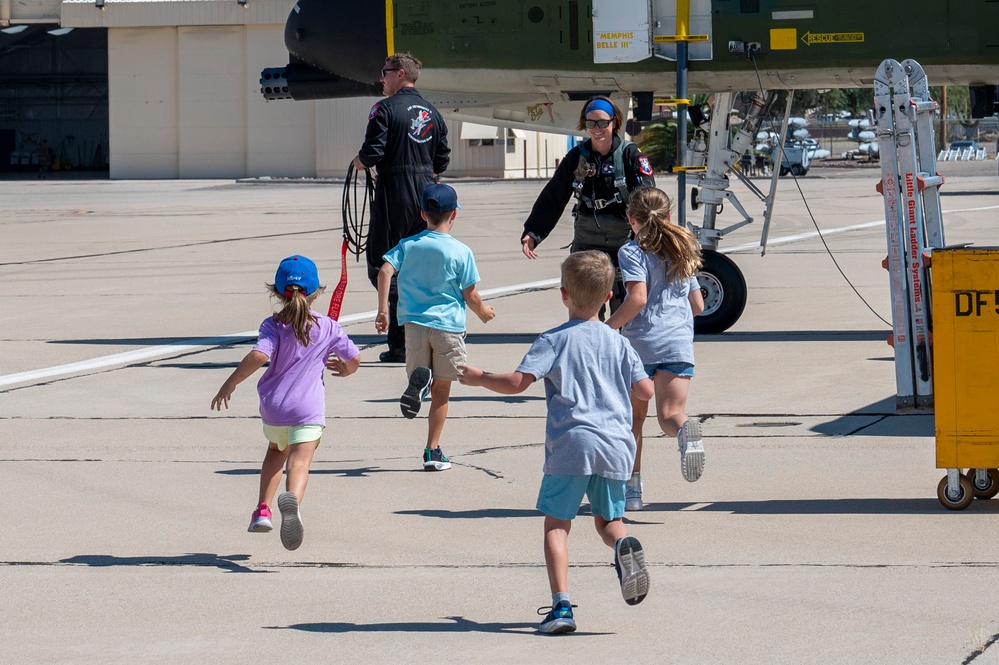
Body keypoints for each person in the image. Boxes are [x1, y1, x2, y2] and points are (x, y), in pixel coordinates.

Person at [458, 250, 654, 634]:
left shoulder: (553, 340)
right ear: (610, 296)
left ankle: (562, 608)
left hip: (572, 445)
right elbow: (645, 390)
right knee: (609, 521)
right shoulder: (619, 344)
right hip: (616, 445)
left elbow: (517, 384)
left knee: (556, 526)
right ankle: (622, 546)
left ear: (564, 294)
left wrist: (480, 377)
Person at [211, 255, 360, 550]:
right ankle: (292, 500)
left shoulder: (272, 325)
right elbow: (354, 358)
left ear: (277, 293)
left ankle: (263, 510)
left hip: (275, 409)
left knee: (275, 452)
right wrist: (346, 369)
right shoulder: (328, 326)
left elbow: (259, 356)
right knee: (300, 460)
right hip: (308, 410)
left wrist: (230, 383)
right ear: (316, 291)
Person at [376, 183, 495, 471]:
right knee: (443, 391)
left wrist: (383, 311)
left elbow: (385, 270)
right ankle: (432, 451)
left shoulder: (409, 244)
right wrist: (483, 312)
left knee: (421, 376)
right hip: (447, 327)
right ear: (454, 214)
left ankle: (419, 383)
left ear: (422, 214)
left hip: (414, 327)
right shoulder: (461, 251)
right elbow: (470, 294)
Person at [605, 188, 705, 511]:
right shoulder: (683, 248)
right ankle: (684, 434)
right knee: (670, 416)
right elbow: (698, 305)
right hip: (678, 344)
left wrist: (607, 329)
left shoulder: (631, 252)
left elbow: (637, 298)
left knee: (634, 420)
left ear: (631, 220)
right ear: (669, 217)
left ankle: (631, 493)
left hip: (641, 345)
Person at [353, 52, 451, 364]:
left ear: (399, 73)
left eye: (384, 72)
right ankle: (421, 339)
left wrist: (360, 162)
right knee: (419, 265)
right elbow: (443, 158)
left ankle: (399, 344)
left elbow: (374, 151)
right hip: (426, 194)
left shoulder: (383, 109)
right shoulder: (433, 112)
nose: (381, 78)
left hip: (394, 192)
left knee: (384, 262)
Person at [520, 95, 655, 315]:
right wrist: (534, 232)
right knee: (585, 311)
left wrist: (647, 236)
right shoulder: (577, 157)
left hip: (622, 248)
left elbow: (648, 196)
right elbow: (553, 196)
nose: (597, 128)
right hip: (586, 246)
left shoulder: (630, 155)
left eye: (603, 122)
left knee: (624, 312)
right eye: (591, 123)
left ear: (614, 122)